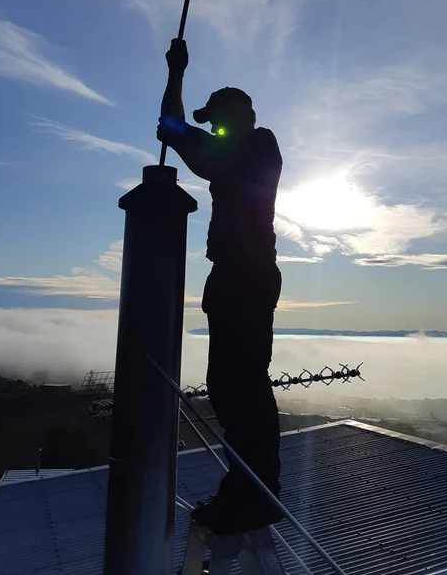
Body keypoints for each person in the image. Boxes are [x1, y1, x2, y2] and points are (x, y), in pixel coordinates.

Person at [156, 38, 284, 534]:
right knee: (230, 388)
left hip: (246, 276)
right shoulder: (235, 146)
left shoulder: (257, 145)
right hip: (234, 275)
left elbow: (185, 139)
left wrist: (182, 120)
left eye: (220, 120)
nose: (215, 128)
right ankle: (246, 486)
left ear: (240, 116)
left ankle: (256, 492)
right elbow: (173, 127)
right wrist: (176, 73)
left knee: (244, 386)